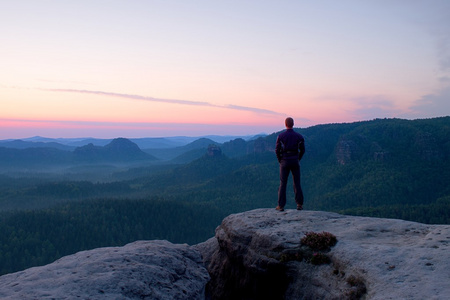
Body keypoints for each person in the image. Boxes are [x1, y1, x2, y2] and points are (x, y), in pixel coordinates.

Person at [275, 117, 305, 211]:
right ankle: (299, 204)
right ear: (293, 124)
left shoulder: (281, 136)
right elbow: (303, 150)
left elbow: (277, 150)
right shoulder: (299, 136)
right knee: (297, 183)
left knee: (283, 183)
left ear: (285, 124)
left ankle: (281, 206)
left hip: (284, 161)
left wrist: (280, 160)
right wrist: (298, 158)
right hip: (295, 161)